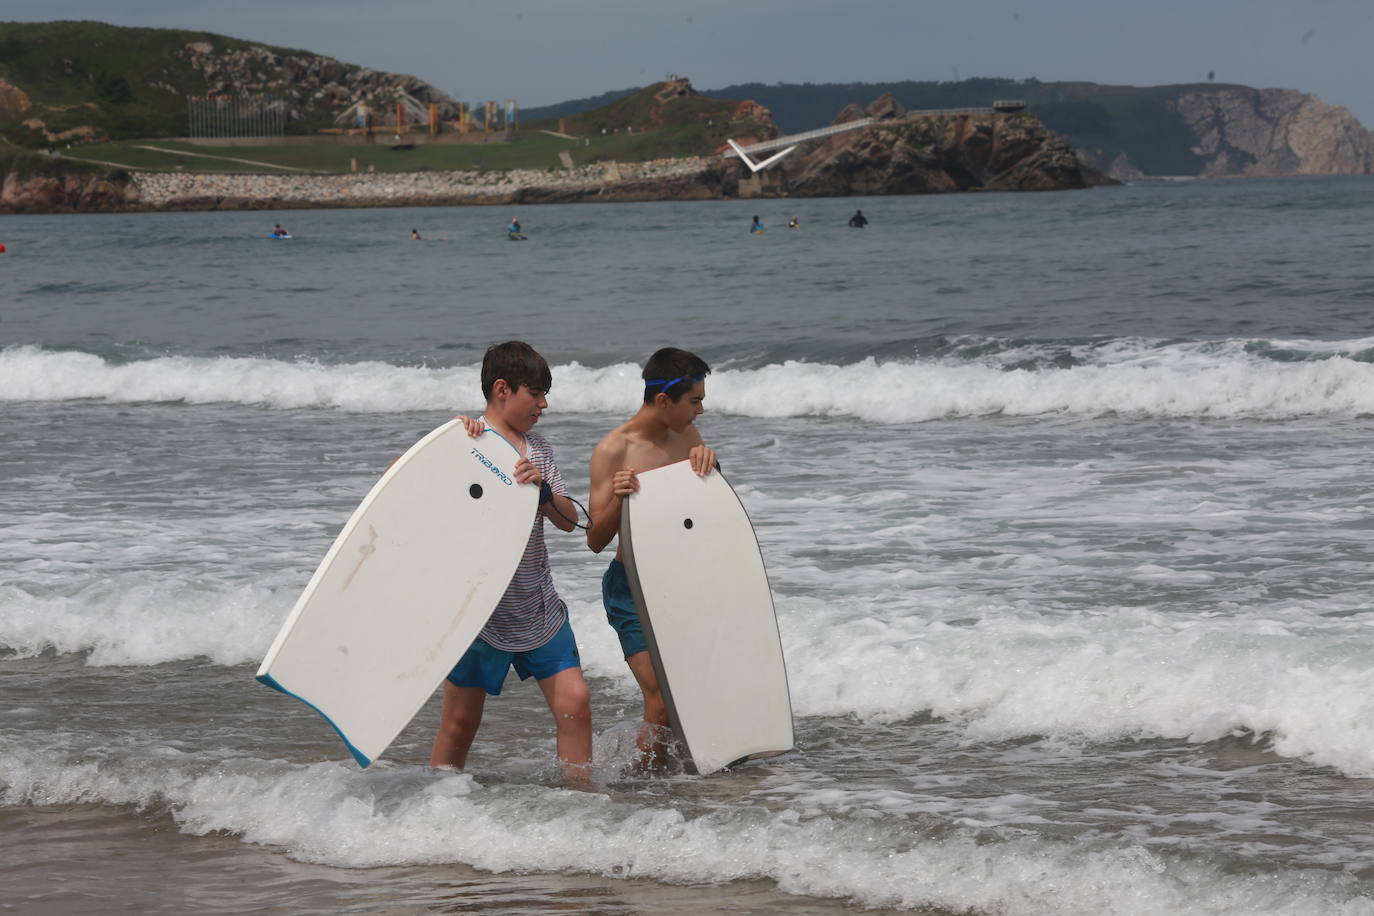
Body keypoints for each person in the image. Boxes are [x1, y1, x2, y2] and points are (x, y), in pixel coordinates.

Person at [431, 341, 593, 786]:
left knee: (575, 703)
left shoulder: (538, 450)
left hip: (536, 603)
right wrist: (444, 447)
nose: (543, 404)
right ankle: (436, 809)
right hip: (479, 611)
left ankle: (581, 804)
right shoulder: (463, 441)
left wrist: (542, 491)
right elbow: (400, 487)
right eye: (535, 393)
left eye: (545, 394)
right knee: (460, 725)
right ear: (502, 389)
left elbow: (568, 521)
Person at [586, 347, 717, 767]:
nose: (701, 410)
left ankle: (678, 775)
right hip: (632, 588)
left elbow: (704, 512)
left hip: (682, 582)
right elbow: (594, 539)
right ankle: (643, 788)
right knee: (659, 700)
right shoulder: (614, 449)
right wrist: (620, 500)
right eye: (694, 401)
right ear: (664, 400)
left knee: (690, 696)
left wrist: (713, 468)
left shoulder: (687, 437)